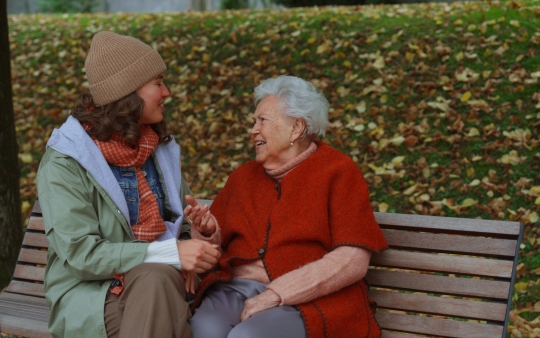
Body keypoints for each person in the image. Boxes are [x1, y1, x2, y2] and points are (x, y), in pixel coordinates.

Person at [36, 31, 220, 338]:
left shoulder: (157, 149)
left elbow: (181, 228)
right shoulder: (67, 161)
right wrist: (169, 254)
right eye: (158, 82)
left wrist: (200, 232)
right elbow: (81, 255)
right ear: (128, 93)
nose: (167, 92)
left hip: (161, 284)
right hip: (91, 294)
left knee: (156, 283)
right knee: (159, 289)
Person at [184, 75, 388, 338]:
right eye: (254, 121)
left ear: (296, 128)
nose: (253, 130)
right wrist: (208, 232)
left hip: (310, 300)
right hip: (235, 291)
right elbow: (213, 255)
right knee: (203, 330)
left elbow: (352, 260)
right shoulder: (243, 178)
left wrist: (279, 293)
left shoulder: (338, 172)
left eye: (263, 121)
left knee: (248, 337)